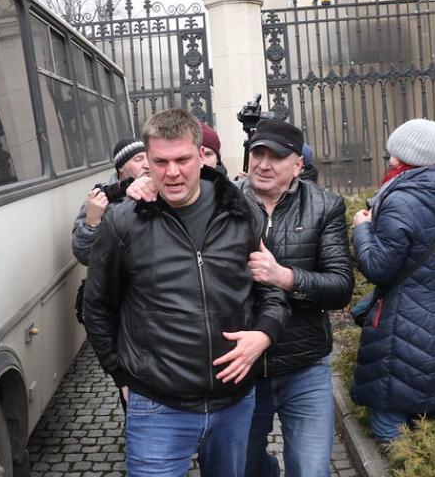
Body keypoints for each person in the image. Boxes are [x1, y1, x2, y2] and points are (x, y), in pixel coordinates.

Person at [82, 109, 289, 477]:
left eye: (182, 160)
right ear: (146, 161)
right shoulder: (124, 221)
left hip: (235, 403)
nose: (172, 172)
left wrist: (264, 333)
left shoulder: (240, 211)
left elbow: (270, 289)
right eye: (160, 162)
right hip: (158, 407)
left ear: (201, 155)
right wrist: (122, 376)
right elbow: (98, 306)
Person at [238, 120, 353, 477]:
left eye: (277, 156)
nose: (264, 164)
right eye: (258, 153)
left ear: (298, 165)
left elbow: (340, 286)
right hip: (243, 370)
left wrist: (284, 277)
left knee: (311, 469)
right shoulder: (224, 204)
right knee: (243, 464)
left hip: (304, 365)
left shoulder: (325, 207)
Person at [350, 118, 435, 443]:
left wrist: (361, 228)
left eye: (392, 152)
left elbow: (378, 267)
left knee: (390, 421)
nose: (388, 158)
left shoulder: (401, 199)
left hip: (403, 328)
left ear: (403, 156)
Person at [71, 137, 149, 266]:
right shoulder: (99, 200)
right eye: (138, 159)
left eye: (149, 158)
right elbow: (84, 255)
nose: (147, 164)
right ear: (121, 168)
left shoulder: (160, 190)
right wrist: (91, 223)